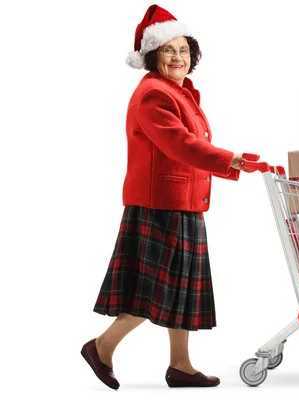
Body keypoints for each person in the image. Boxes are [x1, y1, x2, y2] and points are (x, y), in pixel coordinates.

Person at [81, 4, 248, 390]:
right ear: (152, 56)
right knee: (156, 290)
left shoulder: (179, 92)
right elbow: (180, 144)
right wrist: (232, 161)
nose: (178, 57)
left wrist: (229, 163)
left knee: (179, 289)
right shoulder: (154, 94)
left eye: (184, 50)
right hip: (161, 204)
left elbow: (189, 144)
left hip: (182, 200)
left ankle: (181, 366)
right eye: (169, 50)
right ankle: (101, 347)